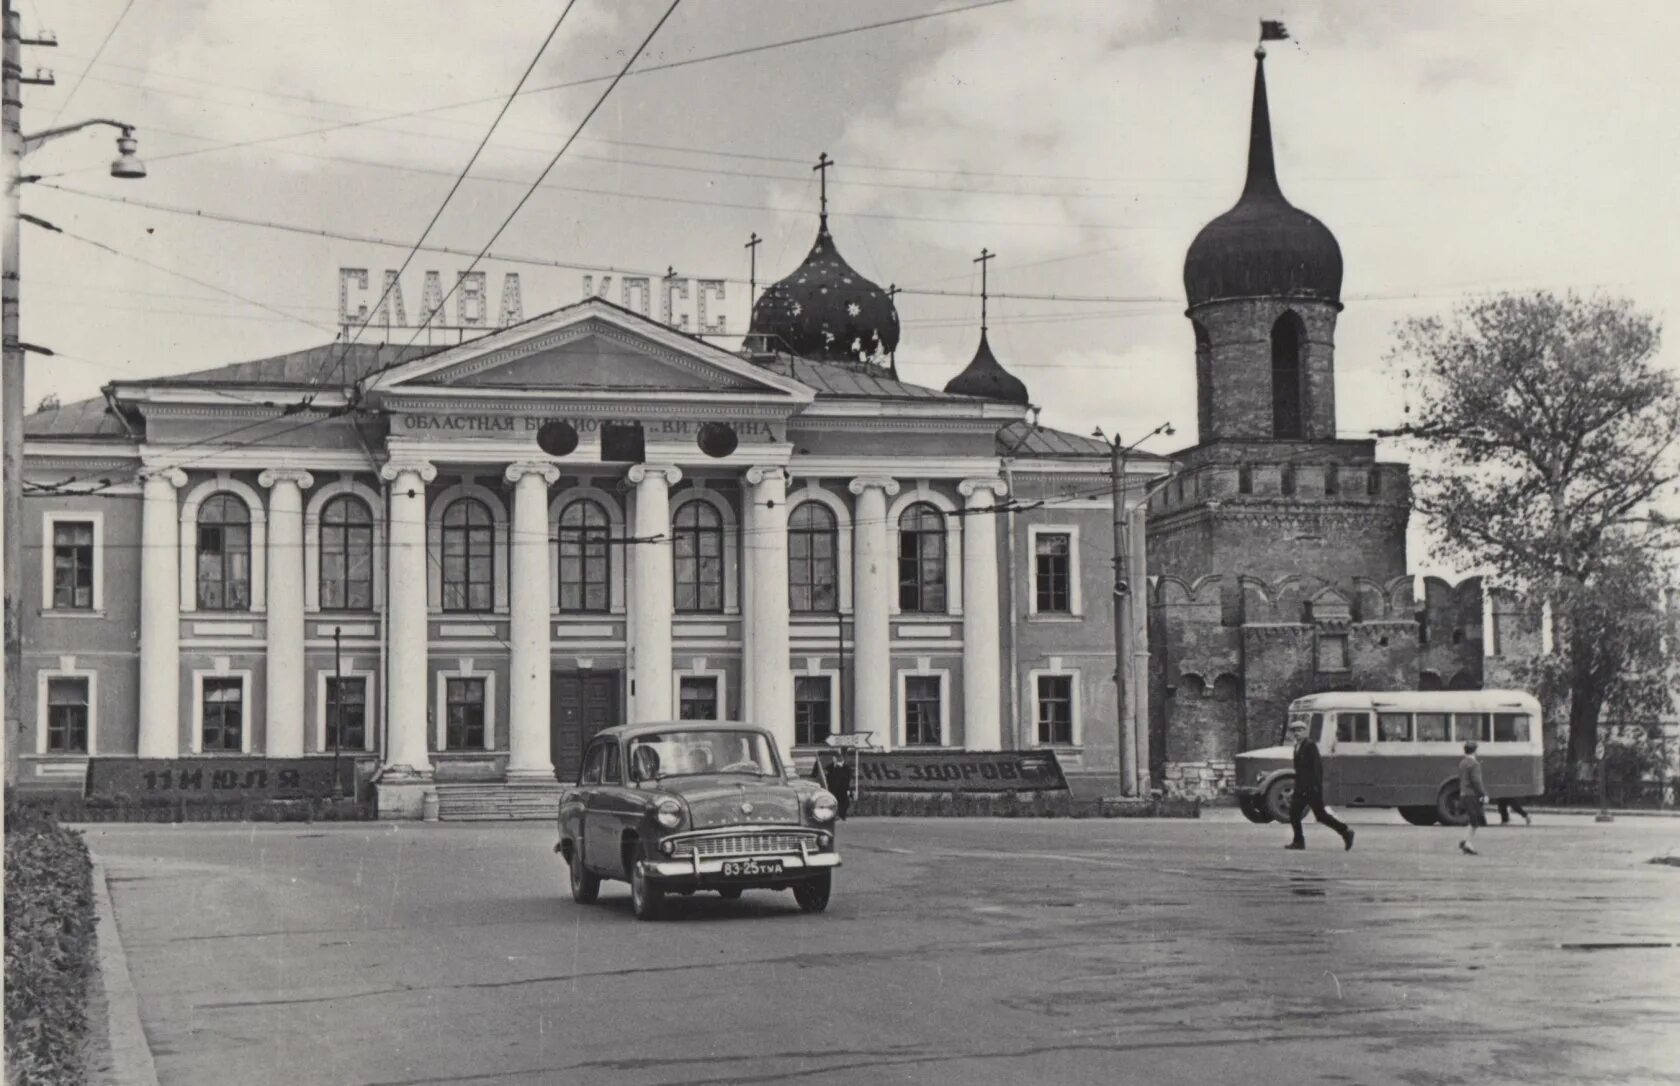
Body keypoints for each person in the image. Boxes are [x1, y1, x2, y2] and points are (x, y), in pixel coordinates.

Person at [1284, 718, 1354, 851]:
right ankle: (1299, 841)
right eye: (1294, 731)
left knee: (1318, 815)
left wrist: (1315, 787)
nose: (1297, 733)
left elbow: (1317, 768)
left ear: (1305, 732)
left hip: (1311, 788)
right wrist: (1296, 787)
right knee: (1297, 813)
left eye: (1299, 730)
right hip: (1302, 788)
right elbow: (1299, 771)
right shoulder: (1297, 747)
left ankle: (1345, 831)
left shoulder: (1310, 745)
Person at [1458, 740, 1490, 854]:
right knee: (1474, 821)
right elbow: (1477, 781)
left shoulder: (1462, 763)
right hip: (1471, 795)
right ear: (1475, 751)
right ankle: (1467, 843)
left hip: (1464, 794)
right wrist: (1483, 794)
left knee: (1472, 820)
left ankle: (1465, 841)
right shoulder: (1474, 764)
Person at [811, 751, 853, 820]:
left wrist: (848, 789)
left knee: (844, 802)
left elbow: (847, 779)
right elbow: (822, 773)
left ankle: (842, 815)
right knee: (835, 801)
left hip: (842, 789)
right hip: (832, 788)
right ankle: (836, 815)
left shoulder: (846, 768)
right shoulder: (830, 766)